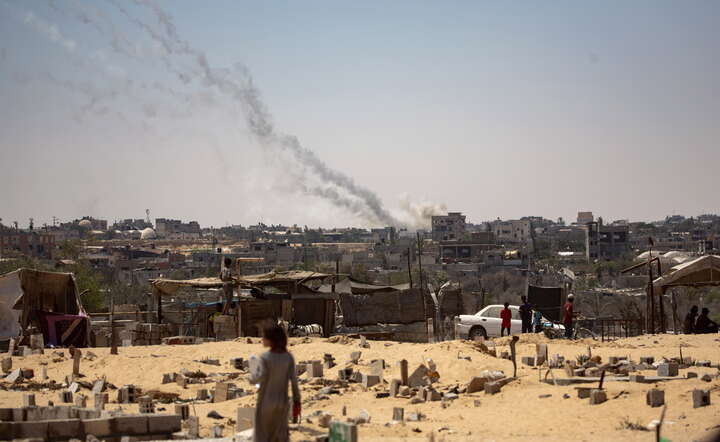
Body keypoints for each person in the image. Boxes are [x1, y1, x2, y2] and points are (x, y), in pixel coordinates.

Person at [249, 322, 301, 442]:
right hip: (283, 404)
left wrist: (251, 376)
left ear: (271, 339)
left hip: (265, 403)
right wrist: (297, 403)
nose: (262, 339)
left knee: (262, 436)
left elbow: (257, 379)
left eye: (264, 336)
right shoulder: (288, 357)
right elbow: (294, 383)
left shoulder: (265, 358)